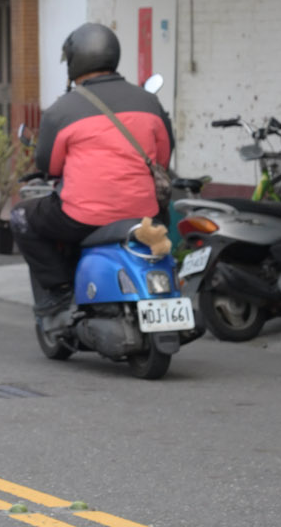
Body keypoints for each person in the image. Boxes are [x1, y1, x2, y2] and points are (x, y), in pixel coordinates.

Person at [14, 21, 173, 326]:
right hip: (144, 214)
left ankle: (59, 292)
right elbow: (163, 158)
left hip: (82, 218)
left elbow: (49, 166)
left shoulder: (62, 110)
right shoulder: (149, 102)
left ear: (75, 61)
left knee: (22, 216)